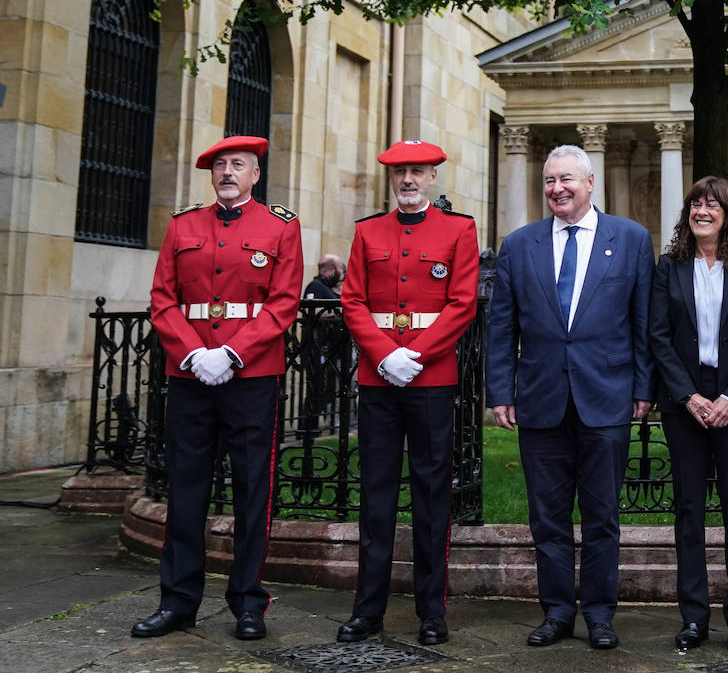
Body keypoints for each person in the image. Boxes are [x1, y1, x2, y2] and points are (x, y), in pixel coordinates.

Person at [133, 135, 303, 641]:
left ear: (255, 175)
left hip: (250, 375)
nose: (228, 172)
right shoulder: (184, 224)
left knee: (253, 491)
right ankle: (178, 601)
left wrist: (230, 353)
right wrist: (191, 353)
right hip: (190, 375)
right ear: (212, 176)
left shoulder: (280, 227)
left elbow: (283, 301)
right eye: (220, 165)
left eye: (239, 165)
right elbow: (163, 298)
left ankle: (248, 602)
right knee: (186, 490)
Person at [486, 144, 654, 650]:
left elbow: (643, 322)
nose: (557, 189)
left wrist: (644, 387)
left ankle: (600, 614)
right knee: (548, 517)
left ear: (589, 182)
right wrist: (500, 390)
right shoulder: (519, 244)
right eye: (549, 181)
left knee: (603, 518)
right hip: (539, 400)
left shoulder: (630, 239)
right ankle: (557, 611)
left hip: (608, 398)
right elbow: (501, 327)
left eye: (567, 180)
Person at [336, 140, 480, 646]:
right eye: (400, 173)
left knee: (431, 495)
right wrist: (383, 354)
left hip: (430, 377)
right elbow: (351, 299)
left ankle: (431, 611)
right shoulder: (367, 231)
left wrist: (414, 354)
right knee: (375, 496)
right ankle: (367, 609)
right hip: (379, 378)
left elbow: (462, 303)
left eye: (417, 172)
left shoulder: (459, 229)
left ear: (433, 177)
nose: (408, 181)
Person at [648, 177, 728, 653]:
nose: (703, 210)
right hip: (685, 400)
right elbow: (657, 335)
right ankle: (694, 617)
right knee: (689, 511)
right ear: (688, 213)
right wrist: (687, 395)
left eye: (712, 204)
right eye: (696, 203)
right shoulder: (668, 267)